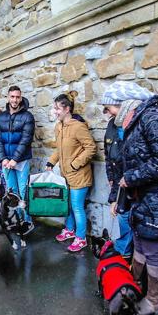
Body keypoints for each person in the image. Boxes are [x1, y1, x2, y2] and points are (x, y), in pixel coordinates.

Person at [101, 80, 158, 315]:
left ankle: (154, 301)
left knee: (152, 250)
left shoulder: (154, 118)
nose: (107, 113)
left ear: (123, 104)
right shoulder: (137, 121)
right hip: (147, 198)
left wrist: (131, 178)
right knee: (140, 243)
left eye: (109, 107)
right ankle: (136, 286)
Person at [45, 91, 97, 252]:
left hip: (79, 175)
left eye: (57, 108)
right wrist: (51, 162)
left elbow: (91, 148)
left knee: (76, 206)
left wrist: (75, 164)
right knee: (67, 205)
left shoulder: (78, 127)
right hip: (65, 175)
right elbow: (59, 149)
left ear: (67, 109)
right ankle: (69, 229)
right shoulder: (59, 126)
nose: (55, 111)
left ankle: (81, 238)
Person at [0, 85, 35, 234]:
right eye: (12, 96)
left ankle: (27, 222)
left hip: (21, 161)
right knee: (11, 193)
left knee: (23, 192)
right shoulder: (0, 117)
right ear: (8, 97)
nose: (15, 100)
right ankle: (17, 221)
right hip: (6, 162)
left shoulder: (27, 117)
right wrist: (2, 159)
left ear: (21, 97)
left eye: (18, 97)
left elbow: (26, 139)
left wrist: (15, 159)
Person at [102, 101, 133, 261]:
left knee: (126, 216)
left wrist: (115, 197)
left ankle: (123, 254)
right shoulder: (111, 126)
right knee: (122, 215)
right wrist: (110, 177)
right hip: (119, 181)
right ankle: (124, 253)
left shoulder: (135, 126)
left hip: (132, 182)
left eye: (110, 109)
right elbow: (109, 156)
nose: (109, 113)